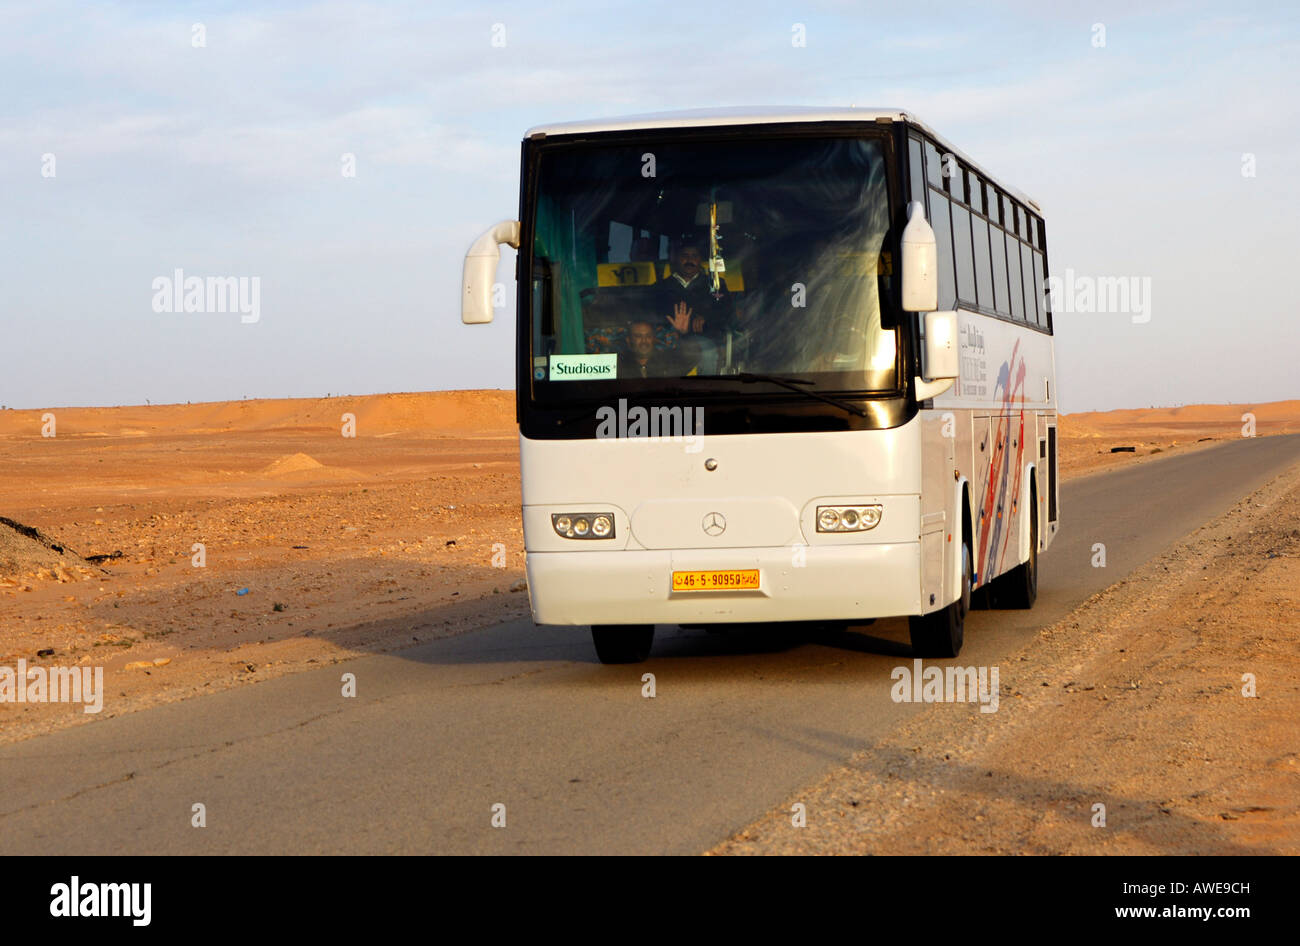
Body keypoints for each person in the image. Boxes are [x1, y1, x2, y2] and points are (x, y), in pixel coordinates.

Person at [656, 237, 735, 374]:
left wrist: (707, 318)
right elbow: (653, 314)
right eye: (684, 256)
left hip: (703, 337)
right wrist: (672, 327)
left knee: (708, 352)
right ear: (676, 259)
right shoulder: (661, 287)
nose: (689, 260)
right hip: (669, 337)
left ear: (700, 260)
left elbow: (727, 312)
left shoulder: (716, 285)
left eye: (694, 256)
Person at [618, 319, 685, 379]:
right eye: (638, 336)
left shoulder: (668, 362)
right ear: (628, 340)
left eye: (648, 336)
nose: (644, 341)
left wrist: (683, 334)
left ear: (654, 339)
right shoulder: (618, 365)